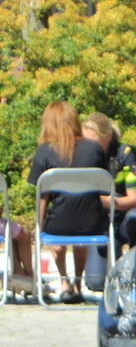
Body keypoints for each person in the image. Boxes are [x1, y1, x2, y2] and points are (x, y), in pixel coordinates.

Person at [27, 101, 107, 303]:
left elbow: (42, 195)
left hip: (58, 224)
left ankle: (64, 282)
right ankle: (78, 284)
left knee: (58, 228)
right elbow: (104, 186)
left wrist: (39, 224)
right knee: (81, 221)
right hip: (92, 224)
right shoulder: (95, 149)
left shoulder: (45, 151)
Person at [81, 112, 136, 253]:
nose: (89, 147)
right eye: (85, 142)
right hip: (102, 221)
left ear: (107, 136)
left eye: (93, 142)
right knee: (106, 247)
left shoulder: (125, 154)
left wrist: (101, 201)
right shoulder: (84, 157)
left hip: (126, 217)